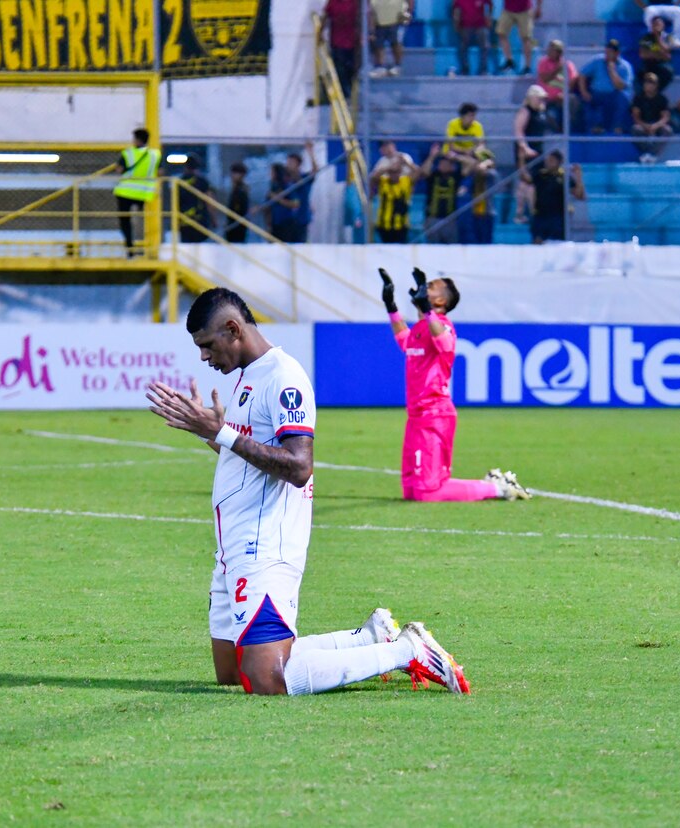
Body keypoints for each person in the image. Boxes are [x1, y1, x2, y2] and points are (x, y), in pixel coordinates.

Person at [146, 287, 471, 696]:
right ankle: (367, 638)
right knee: (232, 672)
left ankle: (406, 651)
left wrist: (222, 431)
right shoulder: (249, 376)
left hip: (264, 546)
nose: (204, 357)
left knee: (266, 679)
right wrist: (210, 433)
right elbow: (246, 450)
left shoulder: (284, 377)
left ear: (233, 329)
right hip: (231, 548)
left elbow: (299, 466)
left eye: (208, 345)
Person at [378, 268, 531, 502]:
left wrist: (427, 311)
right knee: (410, 489)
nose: (422, 289)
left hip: (435, 414)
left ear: (439, 300)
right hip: (417, 415)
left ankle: (497, 488)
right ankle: (491, 484)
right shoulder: (421, 329)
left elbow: (446, 343)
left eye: (429, 287)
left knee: (427, 492)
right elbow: (403, 340)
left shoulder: (443, 325)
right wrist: (391, 306)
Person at [113, 128, 161, 256]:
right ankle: (148, 246)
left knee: (125, 220)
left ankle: (130, 246)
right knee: (145, 219)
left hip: (125, 192)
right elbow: (161, 172)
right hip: (145, 193)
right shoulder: (155, 155)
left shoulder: (128, 153)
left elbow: (119, 170)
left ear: (138, 140)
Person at [522, 150, 585, 244]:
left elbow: (580, 195)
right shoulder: (541, 175)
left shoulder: (564, 177)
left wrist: (579, 177)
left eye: (551, 160)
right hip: (541, 215)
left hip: (558, 216)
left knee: (557, 243)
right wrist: (521, 159)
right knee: (537, 241)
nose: (548, 162)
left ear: (559, 162)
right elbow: (525, 178)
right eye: (547, 160)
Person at [513, 85, 555, 222]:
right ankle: (520, 213)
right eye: (539, 98)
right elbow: (519, 131)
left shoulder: (542, 112)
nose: (541, 101)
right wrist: (524, 148)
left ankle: (534, 211)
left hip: (538, 150)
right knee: (526, 181)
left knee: (536, 181)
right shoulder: (525, 111)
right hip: (525, 151)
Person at [576, 40, 634, 134]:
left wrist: (612, 71)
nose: (607, 55)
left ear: (617, 53)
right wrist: (583, 91)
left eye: (610, 52)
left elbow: (620, 86)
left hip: (614, 94)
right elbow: (582, 74)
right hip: (597, 93)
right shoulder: (597, 60)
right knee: (590, 101)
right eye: (606, 52)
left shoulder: (625, 67)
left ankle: (617, 127)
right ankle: (596, 128)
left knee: (623, 98)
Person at [418, 143, 472, 243]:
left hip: (450, 218)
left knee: (451, 248)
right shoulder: (434, 176)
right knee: (433, 248)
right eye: (441, 163)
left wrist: (456, 157)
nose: (443, 165)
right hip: (432, 218)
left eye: (446, 163)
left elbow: (471, 164)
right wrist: (432, 156)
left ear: (452, 166)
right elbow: (424, 172)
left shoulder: (455, 177)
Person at [268, 143, 319, 243]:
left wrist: (311, 153)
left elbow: (315, 171)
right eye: (288, 162)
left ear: (298, 164)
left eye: (291, 162)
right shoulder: (284, 180)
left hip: (301, 217)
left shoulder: (304, 178)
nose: (288, 164)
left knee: (299, 243)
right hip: (286, 220)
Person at [370, 155, 419, 242]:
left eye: (396, 172)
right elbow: (373, 177)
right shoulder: (383, 182)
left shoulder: (406, 181)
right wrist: (389, 166)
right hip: (384, 224)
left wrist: (407, 163)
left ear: (400, 172)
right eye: (392, 172)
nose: (394, 175)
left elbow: (418, 172)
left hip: (401, 225)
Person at [320, 0, 360, 101]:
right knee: (340, 68)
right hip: (337, 42)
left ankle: (349, 92)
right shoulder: (333, 2)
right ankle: (344, 93)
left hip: (352, 41)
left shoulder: (354, 2)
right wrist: (320, 31)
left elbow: (359, 18)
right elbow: (325, 16)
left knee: (350, 68)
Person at [630, 72, 673, 163]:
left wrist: (655, 126)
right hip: (643, 124)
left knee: (667, 130)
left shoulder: (662, 99)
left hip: (657, 125)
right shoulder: (638, 98)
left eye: (651, 83)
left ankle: (652, 155)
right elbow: (635, 116)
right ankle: (646, 153)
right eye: (647, 83)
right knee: (635, 129)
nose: (649, 85)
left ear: (656, 85)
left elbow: (665, 117)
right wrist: (645, 125)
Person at [457, 149, 498, 244]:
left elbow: (481, 170)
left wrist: (485, 163)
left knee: (485, 241)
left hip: (486, 213)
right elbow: (465, 173)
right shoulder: (471, 175)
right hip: (473, 212)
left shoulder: (491, 174)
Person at [535, 39, 579, 128]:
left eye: (552, 50)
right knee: (543, 111)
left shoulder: (568, 65)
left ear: (559, 53)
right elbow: (544, 79)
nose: (549, 52)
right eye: (549, 49)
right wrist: (557, 70)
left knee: (573, 100)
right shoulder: (543, 62)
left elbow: (573, 82)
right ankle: (557, 129)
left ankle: (569, 129)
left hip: (561, 97)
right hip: (545, 97)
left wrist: (564, 94)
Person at [179, 155, 218, 243]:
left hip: (184, 222)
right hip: (200, 222)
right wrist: (214, 220)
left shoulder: (179, 183)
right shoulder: (202, 182)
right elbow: (210, 202)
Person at [496, 0, 542, 75]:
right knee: (501, 33)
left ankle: (527, 66)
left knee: (526, 37)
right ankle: (509, 60)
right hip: (508, 10)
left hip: (524, 10)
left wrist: (539, 7)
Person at [369, 0, 413, 77]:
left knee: (396, 43)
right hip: (378, 19)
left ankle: (397, 66)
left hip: (398, 19)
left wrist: (409, 12)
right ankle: (380, 66)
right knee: (378, 44)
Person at [452, 0, 493, 76]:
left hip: (481, 24)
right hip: (465, 25)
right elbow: (456, 11)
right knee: (462, 47)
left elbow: (488, 7)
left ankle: (483, 70)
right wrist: (456, 24)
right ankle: (465, 69)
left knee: (485, 46)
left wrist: (488, 20)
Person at [637, 15, 675, 91]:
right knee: (641, 73)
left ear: (663, 25)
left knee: (668, 72)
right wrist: (658, 54)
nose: (656, 26)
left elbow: (667, 56)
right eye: (654, 24)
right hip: (649, 64)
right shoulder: (646, 38)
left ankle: (656, 91)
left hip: (662, 64)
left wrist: (658, 38)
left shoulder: (669, 38)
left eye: (658, 24)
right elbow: (643, 54)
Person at [224, 162, 250, 244]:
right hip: (233, 225)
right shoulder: (236, 189)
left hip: (237, 226)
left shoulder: (241, 191)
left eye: (235, 173)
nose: (232, 176)